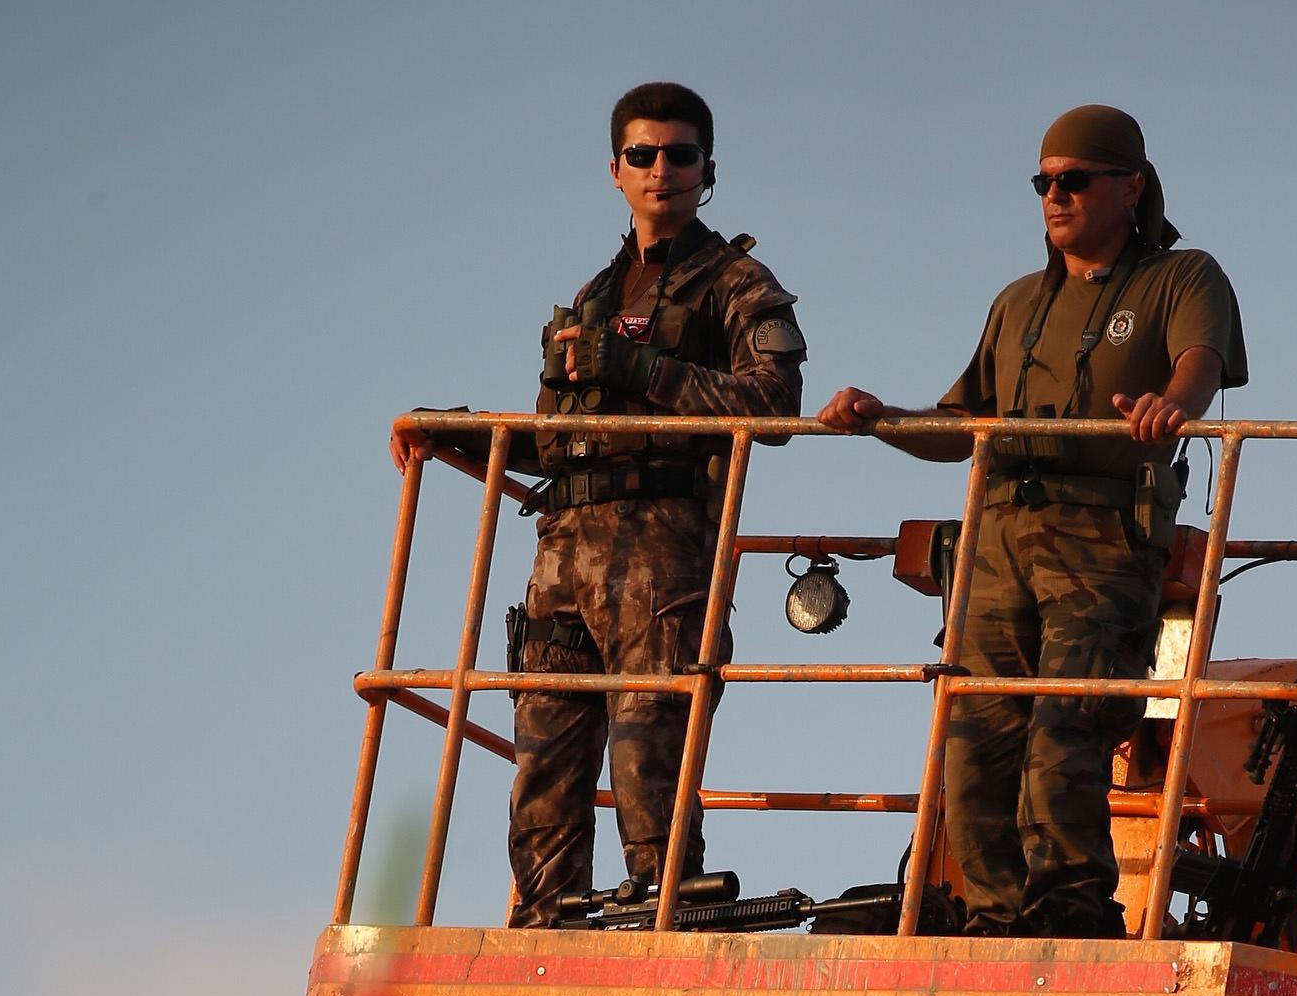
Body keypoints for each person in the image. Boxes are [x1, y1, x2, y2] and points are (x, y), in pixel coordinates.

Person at [819, 106, 1245, 937]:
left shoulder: (1182, 278)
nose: (1055, 196)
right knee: (973, 743)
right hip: (998, 540)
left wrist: (1173, 406)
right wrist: (880, 417)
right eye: (1043, 182)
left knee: (1065, 732)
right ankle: (993, 920)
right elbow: (960, 426)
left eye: (1074, 180)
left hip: (1100, 542)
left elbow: (1202, 360)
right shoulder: (1017, 303)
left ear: (1131, 187)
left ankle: (1070, 914)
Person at [460, 83, 805, 923]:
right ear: (615, 171)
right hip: (563, 550)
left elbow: (774, 404)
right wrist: (457, 438)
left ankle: (662, 914)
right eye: (644, 156)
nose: (663, 172)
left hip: (662, 548)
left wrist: (641, 372)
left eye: (681, 155)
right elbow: (554, 436)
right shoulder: (590, 298)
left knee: (650, 751)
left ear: (707, 169)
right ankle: (546, 918)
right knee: (543, 755)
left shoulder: (735, 281)